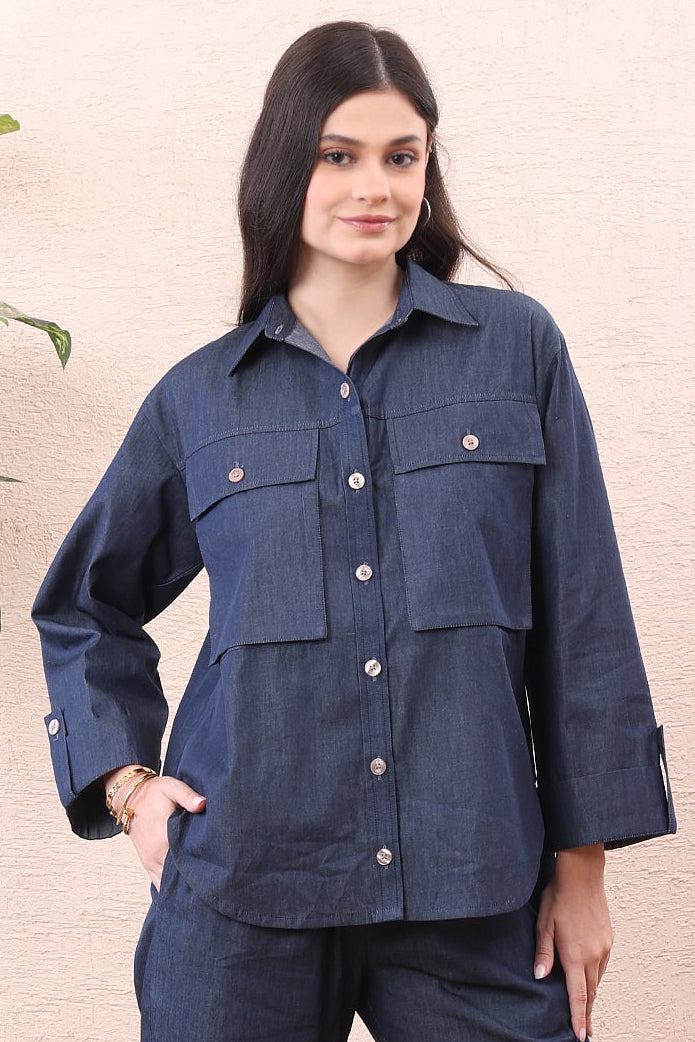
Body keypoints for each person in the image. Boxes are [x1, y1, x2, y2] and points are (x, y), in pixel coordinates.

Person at [33, 20, 675, 1042]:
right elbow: (83, 603)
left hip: (471, 881)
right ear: (287, 163)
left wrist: (582, 867)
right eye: (338, 155)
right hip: (244, 888)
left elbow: (581, 615)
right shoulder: (201, 398)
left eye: (399, 156)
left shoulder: (515, 351)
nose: (371, 185)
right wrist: (131, 786)